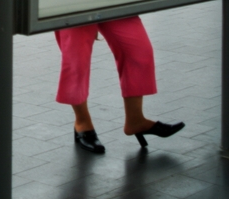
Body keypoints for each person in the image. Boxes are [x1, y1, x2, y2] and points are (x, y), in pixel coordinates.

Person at [55, 16, 185, 153]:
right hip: (72, 3)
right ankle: (82, 123)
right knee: (77, 62)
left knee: (139, 51)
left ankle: (135, 120)